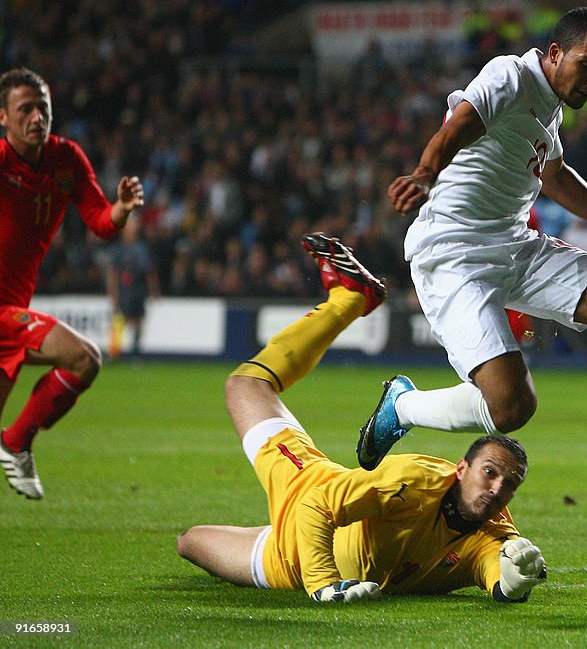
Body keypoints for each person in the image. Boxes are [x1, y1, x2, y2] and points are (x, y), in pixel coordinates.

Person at [382, 7, 587, 516]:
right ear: (555, 53)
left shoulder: (548, 108)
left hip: (515, 246)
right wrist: (424, 172)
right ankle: (402, 406)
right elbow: (461, 124)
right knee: (512, 408)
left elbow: (555, 179)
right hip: (455, 252)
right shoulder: (509, 75)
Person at [177, 234, 547, 603]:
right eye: (489, 472)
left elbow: (497, 571)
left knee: (190, 542)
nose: (497, 488)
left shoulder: (493, 534)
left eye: (510, 483)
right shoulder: (413, 482)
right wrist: (324, 582)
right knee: (245, 385)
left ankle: (350, 300)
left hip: (284, 561)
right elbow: (315, 505)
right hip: (306, 493)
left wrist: (513, 583)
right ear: (461, 469)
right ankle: (348, 300)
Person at [0, 67, 145, 500]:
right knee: (85, 358)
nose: (36, 117)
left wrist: (120, 208)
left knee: (84, 361)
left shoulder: (67, 160)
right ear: (3, 117)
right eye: (24, 109)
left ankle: (15, 440)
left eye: (42, 107)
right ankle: (16, 442)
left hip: (12, 306)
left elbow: (101, 223)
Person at [106, 218, 160, 361]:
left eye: (134, 226)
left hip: (138, 289)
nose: (132, 229)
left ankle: (136, 352)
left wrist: (153, 290)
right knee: (119, 319)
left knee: (137, 320)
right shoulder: (118, 249)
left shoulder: (142, 248)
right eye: (130, 226)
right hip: (123, 289)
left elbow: (149, 271)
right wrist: (112, 291)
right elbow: (113, 272)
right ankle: (114, 352)